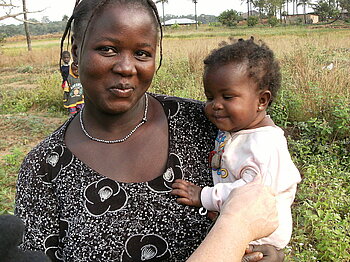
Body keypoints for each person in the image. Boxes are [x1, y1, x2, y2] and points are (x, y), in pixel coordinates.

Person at [15, 1, 284, 261]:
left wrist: (268, 250)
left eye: (142, 53)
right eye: (108, 49)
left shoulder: (204, 123)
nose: (126, 67)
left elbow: (263, 196)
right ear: (76, 54)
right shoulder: (44, 168)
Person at [172, 38, 301, 250]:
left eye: (228, 97)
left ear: (262, 101)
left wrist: (202, 196)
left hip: (258, 237)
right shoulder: (237, 130)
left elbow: (251, 193)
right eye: (210, 97)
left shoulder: (264, 143)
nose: (215, 106)